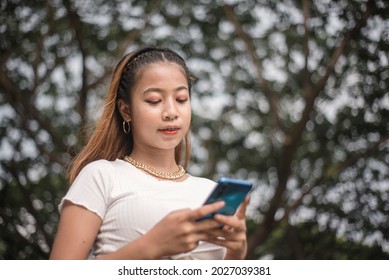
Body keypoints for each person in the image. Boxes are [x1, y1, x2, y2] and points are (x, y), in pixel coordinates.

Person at [49, 46, 249, 260]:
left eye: (181, 99)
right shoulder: (102, 176)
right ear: (126, 110)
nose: (171, 113)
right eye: (154, 101)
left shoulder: (210, 193)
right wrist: (151, 246)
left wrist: (236, 252)